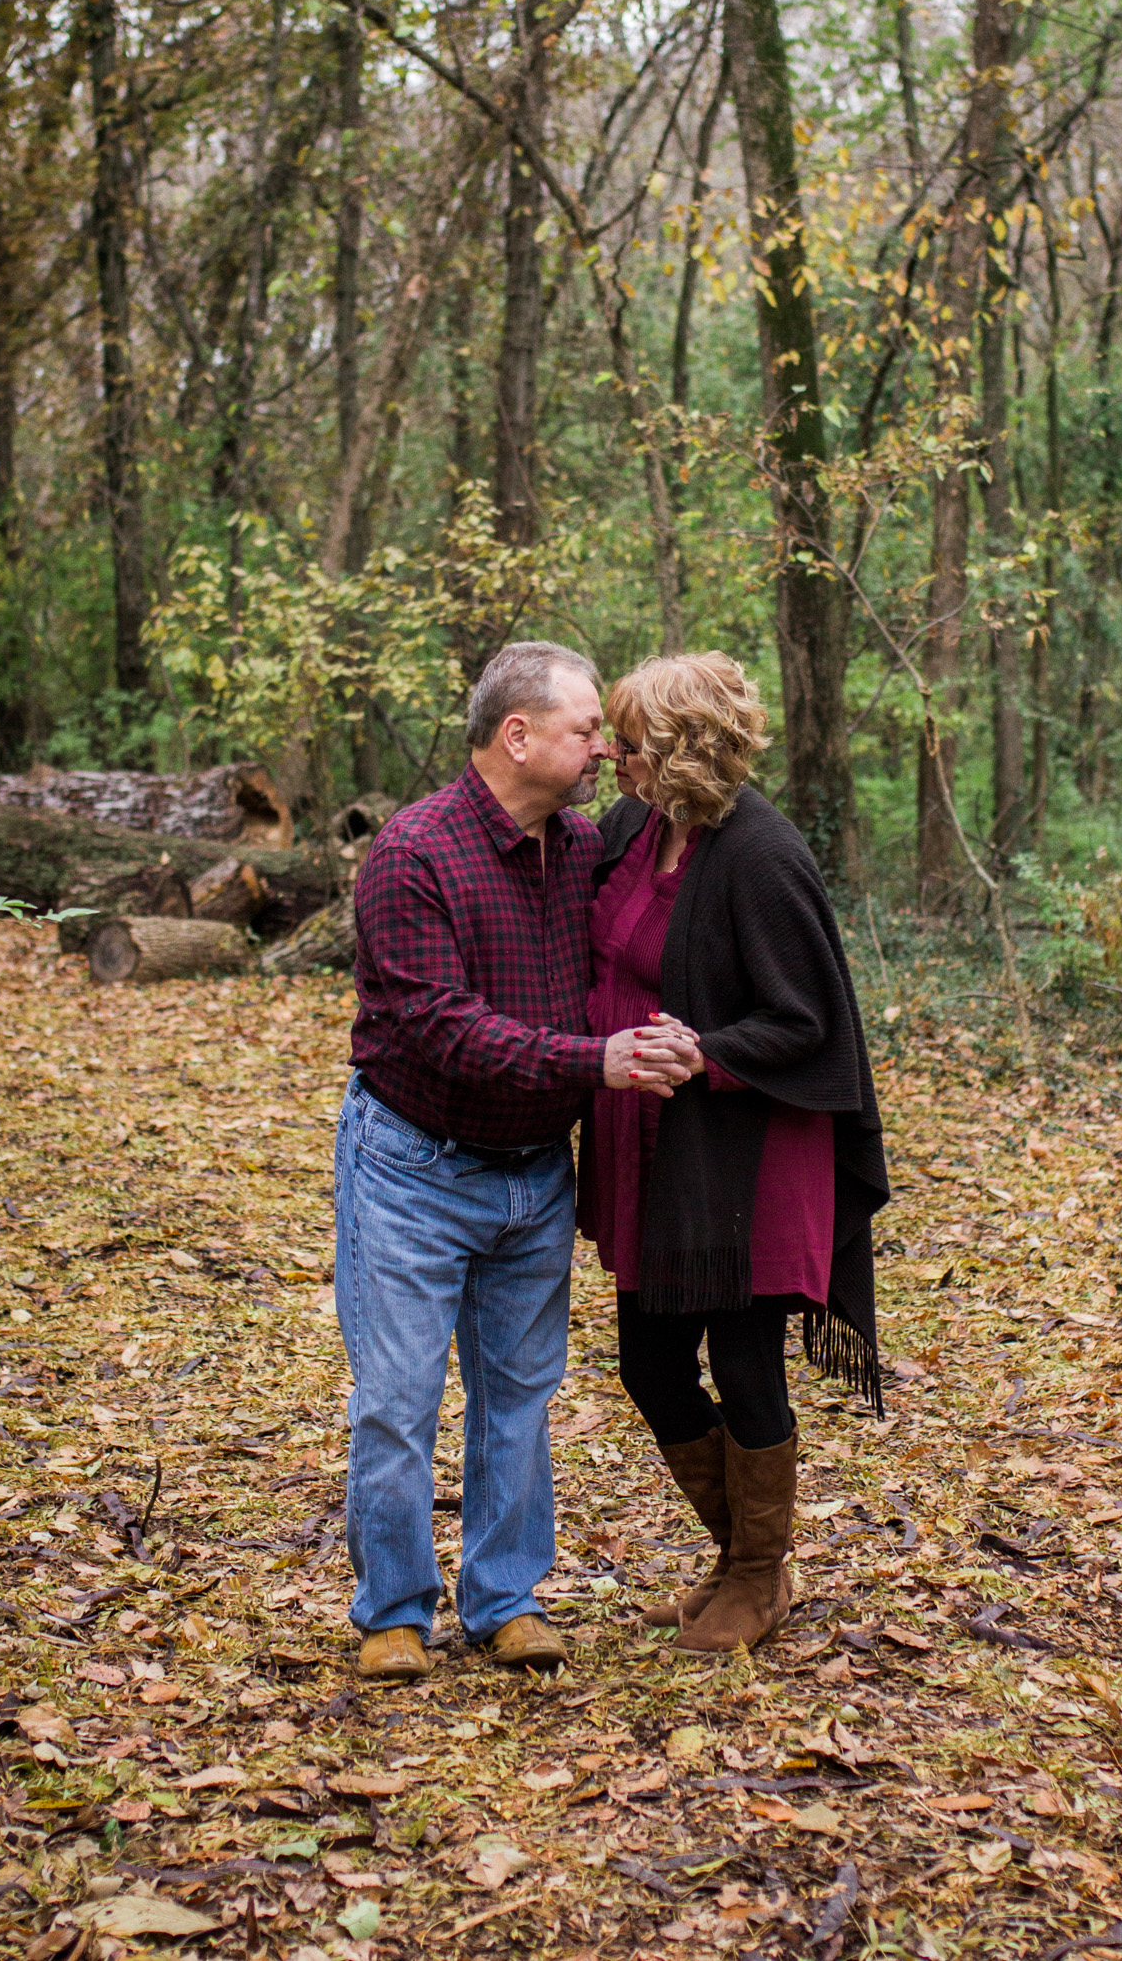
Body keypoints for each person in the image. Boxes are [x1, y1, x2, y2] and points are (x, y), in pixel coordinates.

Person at [335, 640, 694, 1682]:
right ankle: (394, 1609)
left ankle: (503, 1598)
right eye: (587, 728)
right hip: (413, 1163)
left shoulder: (582, 847)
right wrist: (602, 1061)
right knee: (399, 1397)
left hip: (534, 1171)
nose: (601, 748)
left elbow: (689, 846)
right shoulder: (412, 855)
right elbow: (446, 1029)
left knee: (519, 1395)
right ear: (517, 734)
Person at [580, 651, 889, 1654]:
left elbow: (810, 1019)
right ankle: (743, 1557)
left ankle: (757, 1572)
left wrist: (706, 1051)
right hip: (657, 1145)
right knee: (649, 1363)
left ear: (675, 749)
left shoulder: (762, 853)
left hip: (749, 1151)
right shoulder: (634, 830)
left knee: (747, 1364)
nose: (611, 759)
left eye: (626, 743)